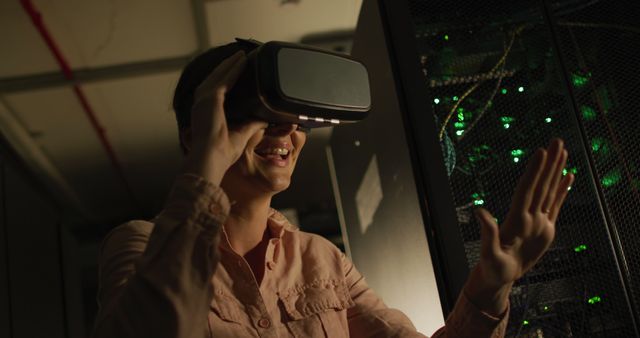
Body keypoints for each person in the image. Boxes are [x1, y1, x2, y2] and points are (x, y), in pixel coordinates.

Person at [91, 42, 574, 338]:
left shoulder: (322, 260)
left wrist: (491, 285)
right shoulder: (139, 244)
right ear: (196, 133)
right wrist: (204, 166)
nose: (285, 133)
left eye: (293, 119)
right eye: (261, 116)